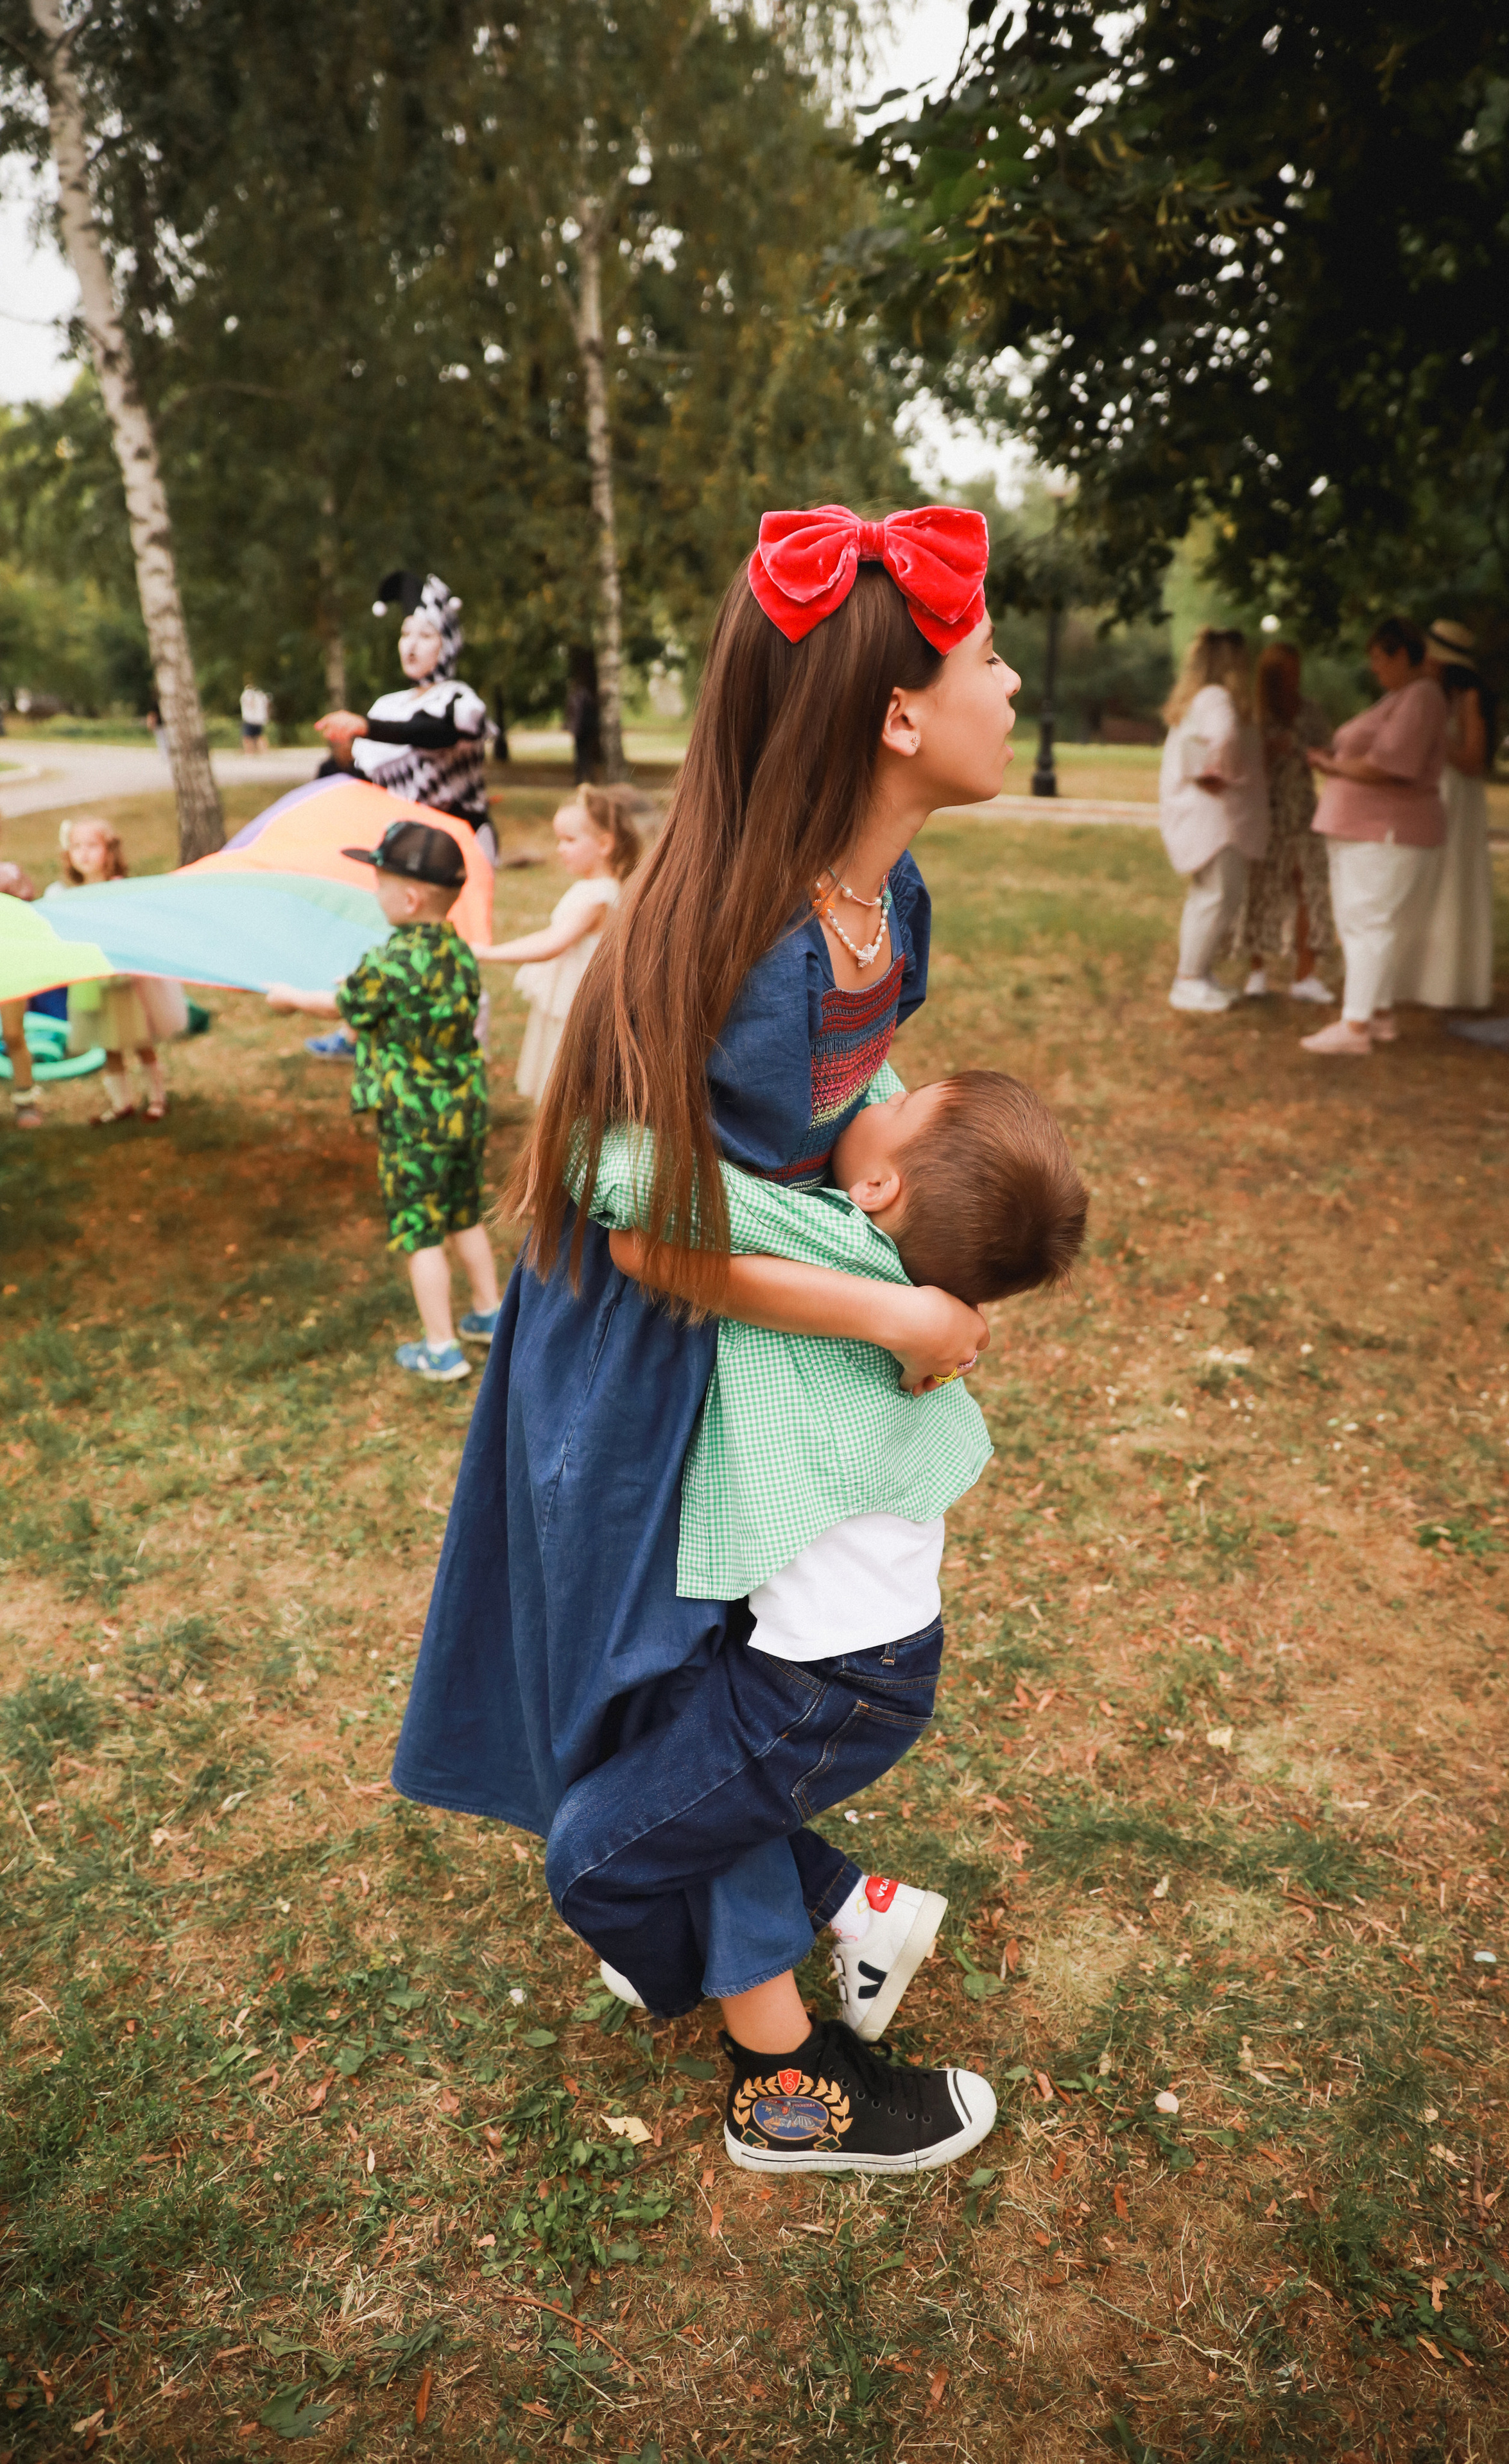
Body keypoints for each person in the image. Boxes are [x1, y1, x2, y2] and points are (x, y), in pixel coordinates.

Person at [393, 502, 1022, 2175]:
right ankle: (782, 2077)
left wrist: (921, 1193)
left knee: (717, 1689)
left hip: (744, 1318)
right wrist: (890, 1306)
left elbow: (823, 1118)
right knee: (667, 1685)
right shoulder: (735, 952)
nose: (1016, 680)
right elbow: (644, 1225)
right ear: (899, 711)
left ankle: (812, 1911)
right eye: (988, 656)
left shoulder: (886, 904)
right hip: (642, 1359)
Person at [577, 1068, 1086, 2096]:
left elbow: (619, 1172)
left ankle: (719, 1990)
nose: (869, 1096)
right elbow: (874, 1086)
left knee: (597, 1858)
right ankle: (862, 1910)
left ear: (879, 1193)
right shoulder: (906, 1263)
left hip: (825, 1688)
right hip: (858, 1662)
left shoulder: (831, 1245)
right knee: (703, 1801)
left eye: (892, 1109)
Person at [265, 819, 501, 1382]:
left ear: (410, 895)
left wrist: (289, 998)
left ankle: (441, 1348)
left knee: (420, 1231)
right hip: (465, 1109)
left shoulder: (390, 961)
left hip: (414, 1118)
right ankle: (489, 1315)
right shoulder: (459, 953)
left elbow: (338, 1006)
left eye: (379, 883)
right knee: (464, 1213)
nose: (374, 893)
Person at [305, 570, 494, 1064]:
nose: (411, 645)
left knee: (458, 948)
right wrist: (344, 754)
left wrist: (368, 727)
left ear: (448, 642)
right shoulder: (387, 705)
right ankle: (364, 1035)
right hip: (404, 847)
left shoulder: (460, 700)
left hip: (459, 843)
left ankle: (463, 1048)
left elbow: (437, 733)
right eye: (405, 634)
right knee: (389, 938)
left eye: (426, 634)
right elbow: (359, 773)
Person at [1299, 616, 1448, 1057]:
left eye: (1380, 659)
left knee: (1370, 921)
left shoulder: (1421, 697)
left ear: (1403, 655)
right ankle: (1378, 1013)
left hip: (1385, 829)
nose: (1375, 668)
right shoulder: (1402, 697)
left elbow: (1391, 763)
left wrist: (1334, 767)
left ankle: (1356, 1023)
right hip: (1364, 825)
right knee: (1363, 920)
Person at [474, 786, 648, 1106]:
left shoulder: (600, 896)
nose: (560, 849)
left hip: (578, 1006)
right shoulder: (591, 889)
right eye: (558, 840)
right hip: (567, 1002)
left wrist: (488, 953)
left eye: (569, 840)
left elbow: (553, 943)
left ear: (604, 844)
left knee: (571, 1077)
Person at [1157, 628, 1268, 1013]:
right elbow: (1223, 740)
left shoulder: (1197, 699)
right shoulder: (1219, 698)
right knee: (1216, 898)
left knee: (1209, 897)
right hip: (1218, 821)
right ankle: (1188, 981)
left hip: (1201, 818)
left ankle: (1199, 976)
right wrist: (1224, 774)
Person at [1392, 619, 1496, 1010]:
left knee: (1451, 878)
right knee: (1421, 879)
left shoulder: (1467, 697)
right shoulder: (1428, 692)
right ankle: (1411, 975)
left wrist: (1438, 737)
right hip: (1432, 791)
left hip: (1457, 796)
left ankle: (1449, 982)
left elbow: (1473, 759)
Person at [54, 817, 187, 1122]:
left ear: (108, 851)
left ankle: (157, 1099)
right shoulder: (69, 895)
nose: (84, 853)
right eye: (76, 847)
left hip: (122, 979)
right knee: (108, 1044)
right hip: (91, 980)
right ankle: (121, 1104)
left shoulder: (118, 890)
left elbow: (130, 930)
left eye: (91, 846)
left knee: (139, 1039)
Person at [1236, 641, 1337, 1002]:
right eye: (1286, 674)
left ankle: (1305, 973)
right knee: (1262, 887)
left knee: (1308, 882)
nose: (1294, 680)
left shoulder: (1309, 711)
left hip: (1304, 808)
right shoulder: (1257, 716)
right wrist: (1267, 751)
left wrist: (1319, 756)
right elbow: (1244, 766)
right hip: (1269, 808)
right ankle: (1257, 970)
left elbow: (1328, 752)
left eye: (1297, 672)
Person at [1, 853, 44, 1131]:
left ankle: (26, 1099)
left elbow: (30, 916)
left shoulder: (9, 875)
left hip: (10, 964)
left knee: (14, 1034)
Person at [239, 680, 272, 753]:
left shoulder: (247, 694)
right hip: (260, 719)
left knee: (247, 738)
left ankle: (249, 753)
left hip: (249, 719)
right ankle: (264, 752)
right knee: (260, 736)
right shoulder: (262, 695)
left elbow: (248, 704)